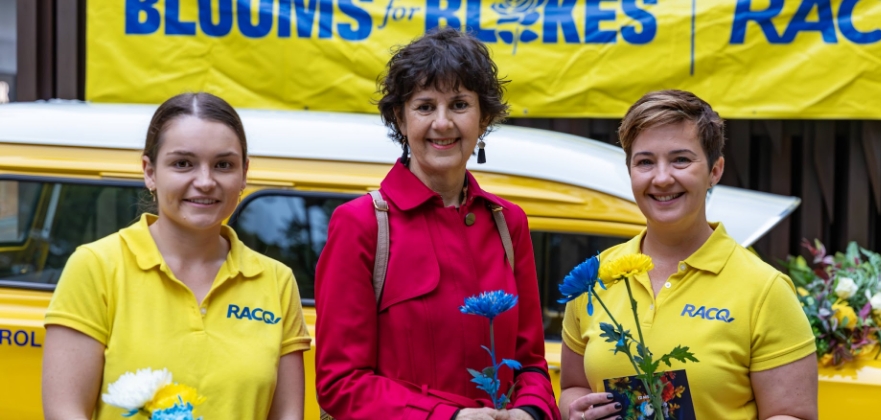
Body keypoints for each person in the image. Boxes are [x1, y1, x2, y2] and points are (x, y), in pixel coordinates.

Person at [314, 28, 560, 420]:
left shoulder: (507, 222)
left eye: (460, 104)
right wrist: (449, 418)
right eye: (425, 106)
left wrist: (530, 412)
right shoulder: (361, 224)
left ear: (483, 118)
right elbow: (341, 383)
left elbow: (530, 361)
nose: (442, 123)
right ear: (400, 117)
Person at [42, 92, 311, 420]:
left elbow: (287, 415)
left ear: (244, 174)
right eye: (183, 163)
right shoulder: (95, 267)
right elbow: (65, 411)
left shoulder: (276, 281)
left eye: (223, 165)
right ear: (150, 172)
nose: (205, 181)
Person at [559, 90, 817, 420]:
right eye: (645, 162)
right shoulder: (594, 278)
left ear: (715, 170)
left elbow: (793, 414)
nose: (662, 177)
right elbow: (573, 388)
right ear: (630, 171)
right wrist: (577, 411)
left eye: (681, 159)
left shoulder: (765, 290)